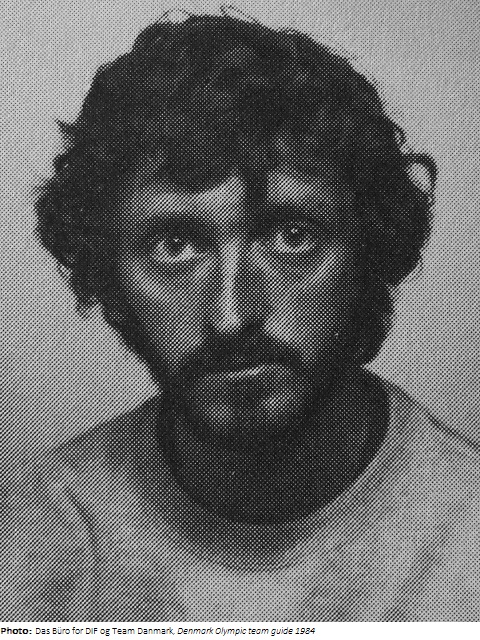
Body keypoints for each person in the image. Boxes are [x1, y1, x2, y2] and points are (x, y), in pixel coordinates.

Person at [2, 10, 480, 622]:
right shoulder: (32, 532)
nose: (231, 314)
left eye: (291, 237)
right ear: (109, 278)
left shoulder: (464, 530)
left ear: (371, 252)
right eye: (176, 247)